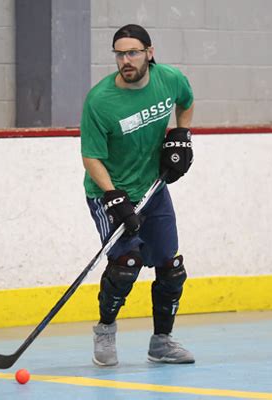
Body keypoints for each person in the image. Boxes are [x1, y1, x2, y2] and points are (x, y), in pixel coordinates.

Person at [80, 24, 195, 366]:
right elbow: (91, 156)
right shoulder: (100, 101)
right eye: (119, 54)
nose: (125, 60)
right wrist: (114, 196)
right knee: (126, 264)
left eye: (132, 52)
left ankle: (161, 343)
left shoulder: (170, 79)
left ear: (149, 52)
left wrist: (182, 134)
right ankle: (105, 330)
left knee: (171, 267)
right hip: (109, 193)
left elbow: (186, 103)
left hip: (153, 189)